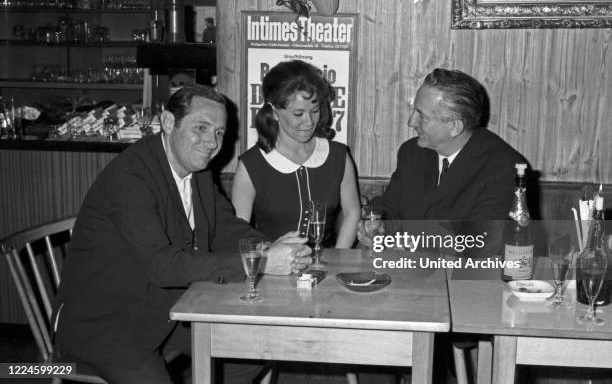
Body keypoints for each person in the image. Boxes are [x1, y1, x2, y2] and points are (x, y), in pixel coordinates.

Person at [52, 85, 311, 384]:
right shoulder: (131, 179)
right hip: (104, 323)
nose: (211, 142)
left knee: (256, 349)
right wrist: (261, 262)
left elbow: (224, 225)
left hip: (163, 308)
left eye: (219, 132)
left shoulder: (195, 167)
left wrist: (269, 247)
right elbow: (164, 267)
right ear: (168, 122)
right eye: (201, 128)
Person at [360, 68, 525, 256]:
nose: (411, 121)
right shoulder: (412, 152)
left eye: (422, 116)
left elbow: (479, 245)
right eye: (414, 111)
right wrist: (378, 227)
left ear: (455, 126)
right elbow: (391, 211)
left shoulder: (502, 167)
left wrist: (405, 244)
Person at [231, 60, 361, 250]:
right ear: (275, 112)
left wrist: (337, 259)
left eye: (315, 111)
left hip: (326, 267)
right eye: (298, 113)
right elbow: (238, 232)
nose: (309, 122)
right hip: (274, 270)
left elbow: (352, 214)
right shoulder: (252, 164)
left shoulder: (338, 156)